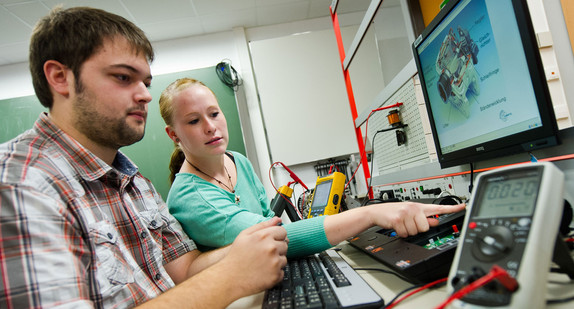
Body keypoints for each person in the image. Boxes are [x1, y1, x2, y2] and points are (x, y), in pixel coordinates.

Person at [0, 6, 289, 308]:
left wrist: (246, 249)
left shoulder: (135, 182)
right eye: (124, 77)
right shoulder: (19, 183)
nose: (145, 95)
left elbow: (185, 270)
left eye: (146, 83)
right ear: (60, 77)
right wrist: (232, 275)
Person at [159, 78, 466, 258]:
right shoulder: (190, 197)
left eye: (214, 113)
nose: (211, 127)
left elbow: (268, 220)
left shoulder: (236, 160)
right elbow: (275, 239)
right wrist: (369, 213)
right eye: (194, 121)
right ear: (173, 135)